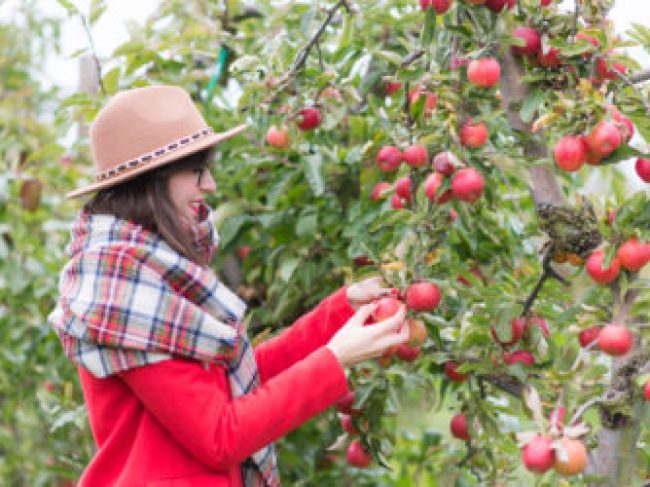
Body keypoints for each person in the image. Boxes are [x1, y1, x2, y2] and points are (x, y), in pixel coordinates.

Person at [48, 85, 410, 487]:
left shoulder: (160, 270)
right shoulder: (118, 284)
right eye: (196, 170)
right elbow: (220, 435)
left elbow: (239, 380)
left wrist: (340, 313)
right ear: (153, 181)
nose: (210, 185)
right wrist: (333, 360)